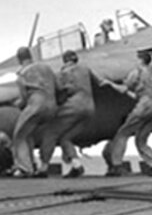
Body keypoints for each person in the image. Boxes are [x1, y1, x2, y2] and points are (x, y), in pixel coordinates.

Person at [39, 50, 121, 178]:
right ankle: (76, 165)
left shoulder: (63, 73)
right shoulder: (85, 69)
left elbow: (59, 90)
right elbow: (102, 82)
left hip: (74, 106)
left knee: (51, 132)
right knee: (65, 138)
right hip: (90, 108)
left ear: (65, 60)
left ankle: (43, 168)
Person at [103, 51, 152, 176]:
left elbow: (123, 88)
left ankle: (116, 165)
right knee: (141, 140)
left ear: (141, 60)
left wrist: (110, 83)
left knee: (122, 134)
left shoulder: (137, 72)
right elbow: (138, 95)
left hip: (143, 107)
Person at [12, 46, 57, 177]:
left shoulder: (21, 74)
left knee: (19, 135)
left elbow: (24, 98)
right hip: (52, 106)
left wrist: (15, 104)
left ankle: (25, 168)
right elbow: (58, 86)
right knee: (30, 133)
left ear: (19, 59)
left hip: (36, 106)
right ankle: (42, 165)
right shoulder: (46, 68)